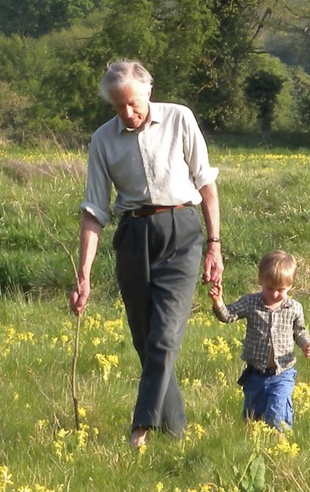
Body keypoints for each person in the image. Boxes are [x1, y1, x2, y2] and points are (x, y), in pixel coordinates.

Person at [71, 60, 223, 449]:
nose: (128, 112)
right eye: (119, 106)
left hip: (181, 231)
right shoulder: (102, 140)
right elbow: (94, 210)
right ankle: (177, 434)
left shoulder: (180, 119)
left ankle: (141, 427)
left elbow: (205, 182)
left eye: (134, 103)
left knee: (165, 336)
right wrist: (84, 276)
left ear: (148, 92)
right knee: (145, 339)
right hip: (133, 237)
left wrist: (214, 244)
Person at [208, 249, 310, 431]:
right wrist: (218, 302)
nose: (274, 294)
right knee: (253, 417)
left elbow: (300, 331)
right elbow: (228, 316)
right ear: (260, 281)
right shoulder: (251, 303)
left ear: (290, 286)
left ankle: (280, 441)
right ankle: (254, 445)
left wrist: (307, 343)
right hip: (255, 373)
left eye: (281, 290)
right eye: (269, 288)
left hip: (282, 373)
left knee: (277, 410)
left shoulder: (294, 308)